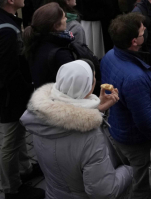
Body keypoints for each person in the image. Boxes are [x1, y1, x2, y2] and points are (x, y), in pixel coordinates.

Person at [20, 60, 133, 199]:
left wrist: (97, 108)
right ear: (88, 88)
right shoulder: (90, 137)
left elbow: (68, 116)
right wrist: (129, 169)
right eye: (93, 79)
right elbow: (104, 191)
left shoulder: (41, 116)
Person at [0, 0, 45, 199]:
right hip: (9, 97)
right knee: (12, 140)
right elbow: (10, 72)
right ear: (10, 0)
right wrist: (27, 92)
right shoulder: (7, 30)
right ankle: (12, 188)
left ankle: (25, 169)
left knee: (18, 134)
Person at [101, 13, 151, 199]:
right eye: (142, 31)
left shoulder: (110, 55)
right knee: (142, 184)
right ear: (134, 41)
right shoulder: (134, 78)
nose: (145, 31)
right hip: (137, 142)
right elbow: (145, 121)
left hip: (119, 129)